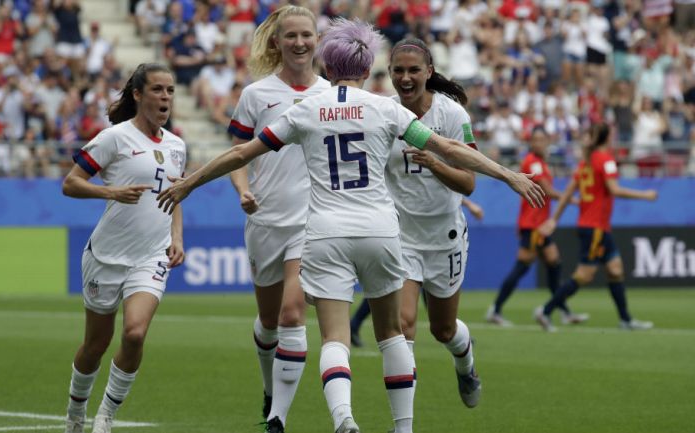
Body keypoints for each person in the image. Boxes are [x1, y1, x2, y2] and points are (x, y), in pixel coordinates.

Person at [158, 18, 544, 433]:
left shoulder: (305, 110)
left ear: (327, 63)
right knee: (394, 335)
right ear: (367, 66)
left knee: (335, 340)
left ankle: (344, 419)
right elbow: (447, 147)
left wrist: (190, 182)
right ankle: (403, 428)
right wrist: (508, 175)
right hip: (381, 230)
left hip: (326, 233)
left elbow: (240, 154)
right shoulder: (385, 108)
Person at [61, 63, 187, 433]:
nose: (165, 97)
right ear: (137, 94)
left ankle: (106, 417)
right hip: (106, 255)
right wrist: (110, 191)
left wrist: (177, 237)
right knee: (95, 345)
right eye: (158, 90)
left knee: (134, 333)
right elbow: (70, 183)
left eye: (170, 91)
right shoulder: (114, 138)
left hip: (151, 255)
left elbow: (175, 195)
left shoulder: (177, 145)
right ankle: (74, 413)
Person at [225, 6, 330, 432]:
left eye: (307, 35)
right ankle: (270, 388)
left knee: (291, 314)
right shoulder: (256, 95)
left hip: (312, 223)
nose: (300, 43)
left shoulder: (331, 96)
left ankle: (277, 419)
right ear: (277, 42)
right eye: (292, 36)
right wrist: (243, 189)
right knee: (269, 323)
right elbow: (236, 155)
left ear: (317, 41)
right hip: (265, 220)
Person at [385, 37, 486, 409]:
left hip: (443, 237)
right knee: (403, 325)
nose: (406, 78)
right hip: (401, 238)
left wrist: (434, 163)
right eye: (399, 71)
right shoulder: (385, 113)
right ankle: (404, 420)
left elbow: (469, 183)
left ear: (429, 72)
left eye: (414, 70)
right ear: (389, 73)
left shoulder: (453, 116)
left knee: (443, 329)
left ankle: (466, 363)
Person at [534, 122, 657, 332]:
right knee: (584, 275)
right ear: (608, 138)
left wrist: (554, 219)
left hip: (594, 227)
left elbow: (567, 194)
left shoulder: (585, 163)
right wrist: (644, 195)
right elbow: (614, 189)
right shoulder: (605, 160)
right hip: (595, 228)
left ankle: (626, 319)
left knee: (615, 269)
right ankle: (546, 310)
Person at [349, 197, 483, 349]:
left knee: (394, 288)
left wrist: (468, 203)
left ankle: (446, 326)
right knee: (390, 290)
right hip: (399, 230)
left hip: (429, 235)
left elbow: (437, 186)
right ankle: (354, 325)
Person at [487, 126, 589, 326]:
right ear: (531, 143)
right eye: (536, 140)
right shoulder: (533, 163)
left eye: (543, 139)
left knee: (553, 262)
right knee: (525, 265)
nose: (539, 143)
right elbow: (547, 190)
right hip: (533, 225)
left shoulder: (541, 163)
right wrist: (572, 200)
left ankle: (561, 310)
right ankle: (497, 309)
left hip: (538, 224)